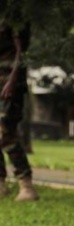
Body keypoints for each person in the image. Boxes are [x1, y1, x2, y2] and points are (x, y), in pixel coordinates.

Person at [0, 17, 38, 201]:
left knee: (5, 130)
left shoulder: (15, 14)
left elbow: (20, 52)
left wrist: (13, 80)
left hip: (9, 82)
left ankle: (26, 184)